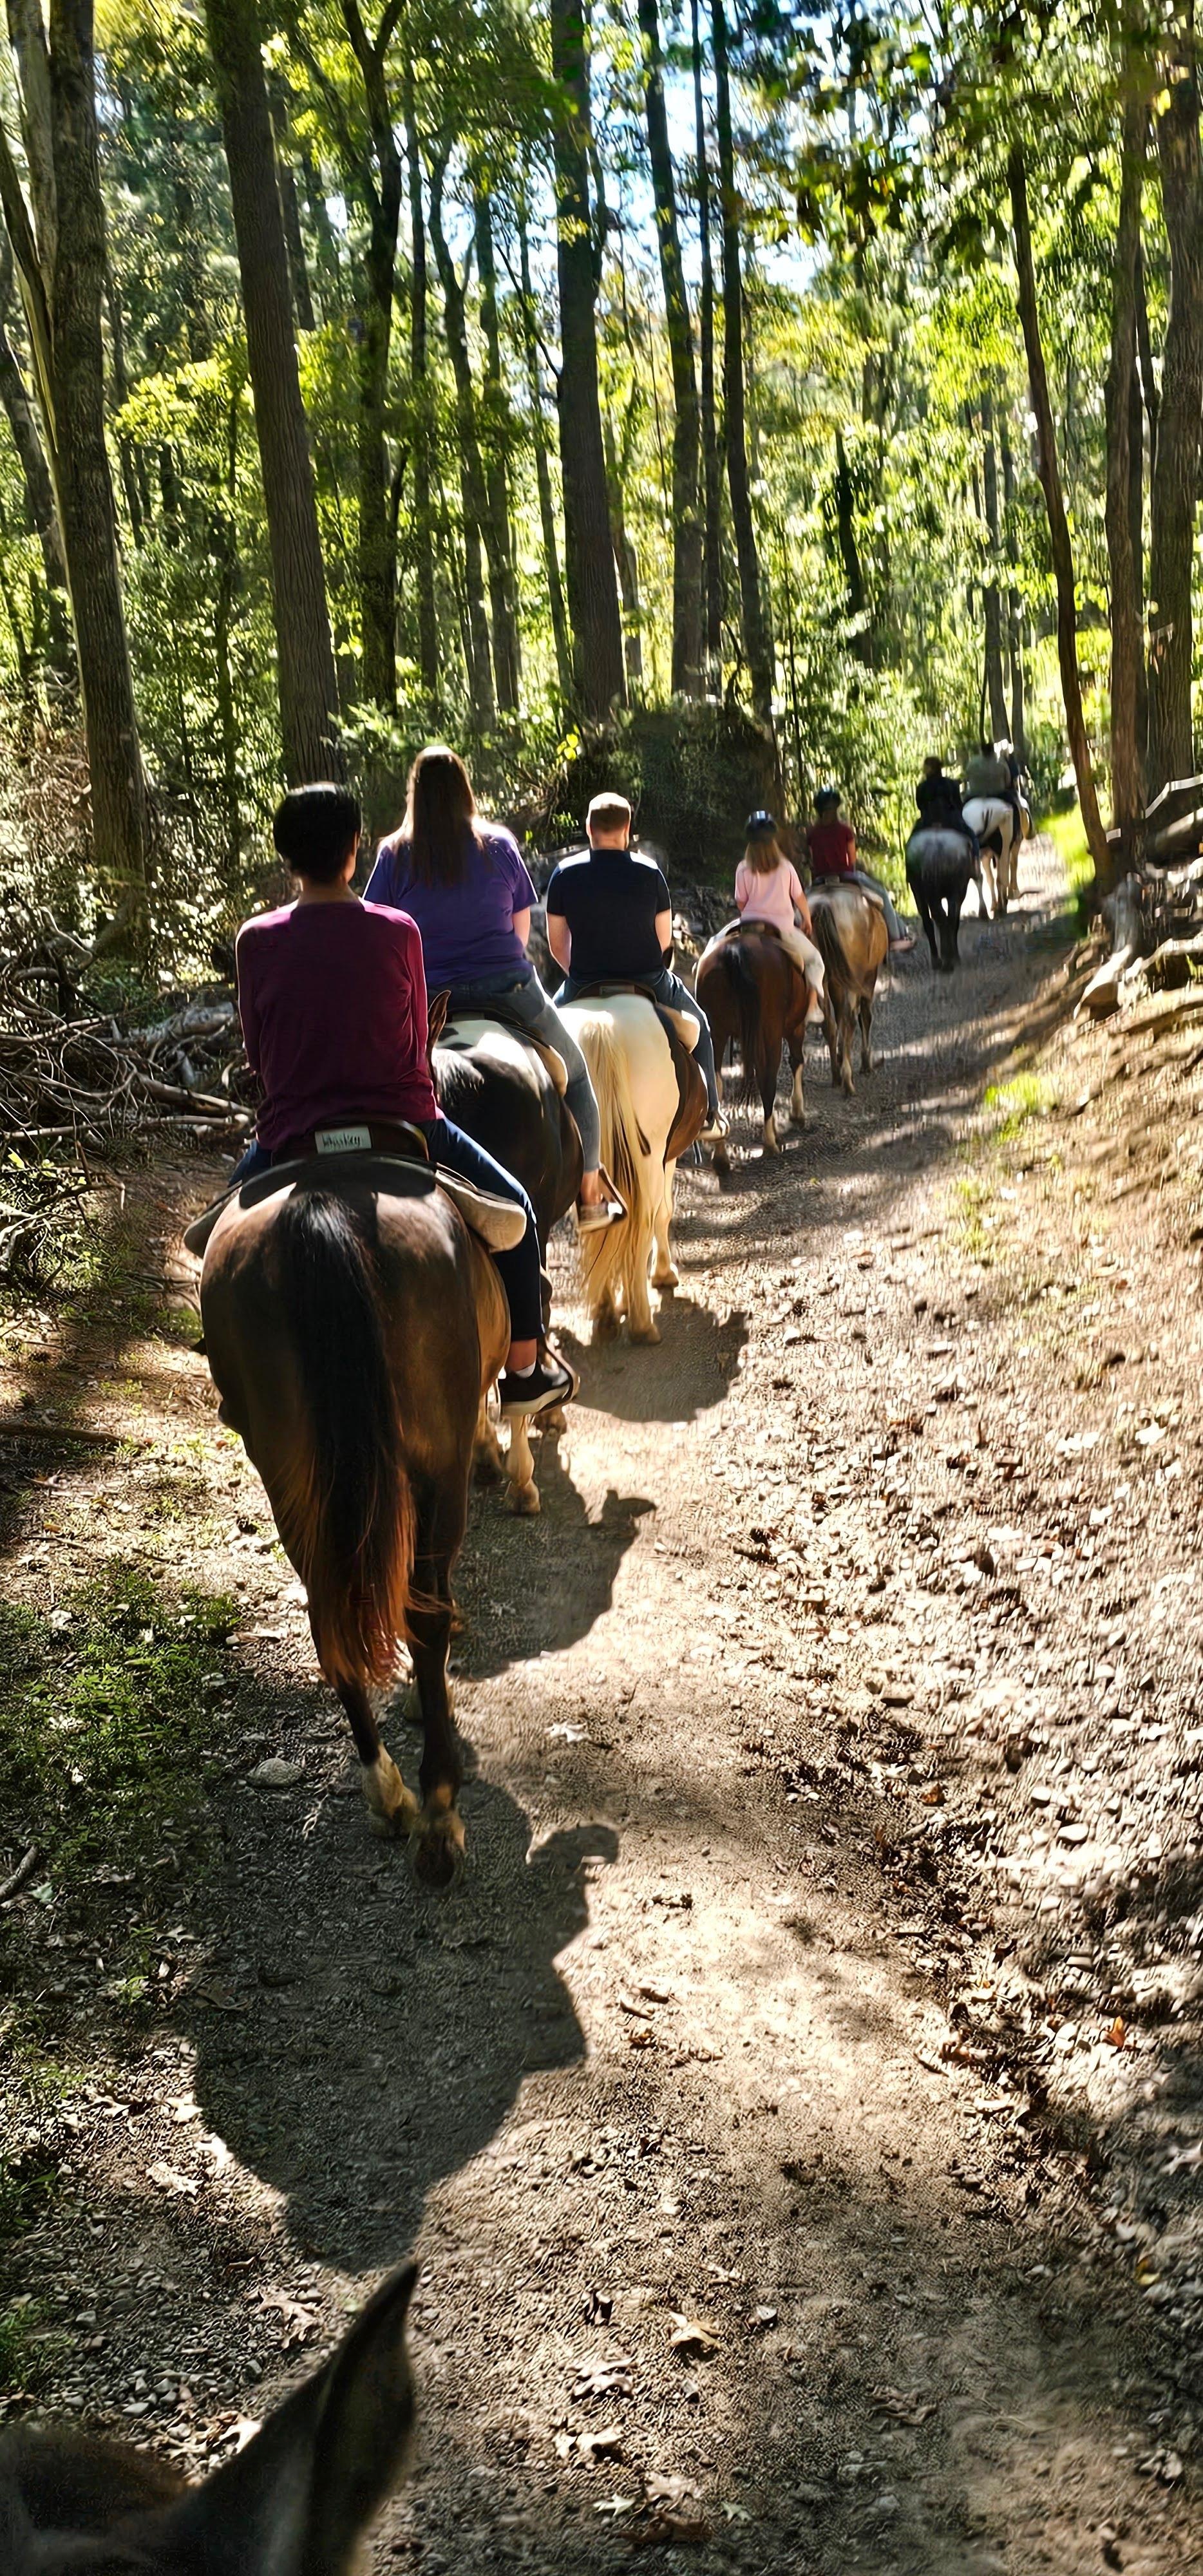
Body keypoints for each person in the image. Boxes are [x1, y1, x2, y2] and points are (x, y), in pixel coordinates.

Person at [188, 782, 574, 1419]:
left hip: (294, 1129)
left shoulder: (254, 940)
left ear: (286, 855)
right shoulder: (398, 931)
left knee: (208, 1243)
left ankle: (235, 1379)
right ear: (355, 848)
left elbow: (259, 1054)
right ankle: (526, 1369)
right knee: (520, 1214)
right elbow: (416, 1037)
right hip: (407, 1122)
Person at [367, 746, 621, 1235]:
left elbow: (374, 930)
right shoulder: (498, 844)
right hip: (506, 986)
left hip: (427, 1001)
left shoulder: (394, 854)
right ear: (465, 790)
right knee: (579, 1077)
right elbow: (521, 929)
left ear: (415, 795)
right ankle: (590, 1195)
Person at [544, 792, 725, 1137]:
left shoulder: (563, 874)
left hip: (583, 982)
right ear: (627, 829)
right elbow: (664, 941)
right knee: (700, 1026)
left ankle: (548, 1128)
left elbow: (556, 943)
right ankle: (710, 1117)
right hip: (649, 980)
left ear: (588, 828)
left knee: (542, 1044)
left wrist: (580, 973)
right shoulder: (649, 871)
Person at [705, 811, 825, 1019]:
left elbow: (741, 902)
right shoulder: (786, 867)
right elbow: (799, 898)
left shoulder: (743, 868)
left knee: (711, 948)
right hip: (782, 929)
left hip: (748, 924)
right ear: (773, 842)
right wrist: (806, 920)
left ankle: (705, 996)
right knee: (815, 960)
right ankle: (813, 1008)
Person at [806, 788, 914, 951]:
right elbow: (852, 859)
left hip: (820, 881)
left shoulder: (812, 833)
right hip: (846, 876)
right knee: (882, 894)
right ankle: (895, 937)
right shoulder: (845, 830)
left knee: (798, 908)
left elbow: (812, 861)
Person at [915, 755, 976, 843]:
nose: (924, 770)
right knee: (971, 836)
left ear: (930, 769)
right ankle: (975, 853)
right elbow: (959, 805)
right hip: (952, 820)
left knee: (911, 841)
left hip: (928, 821)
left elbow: (920, 806)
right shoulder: (952, 784)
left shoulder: (922, 787)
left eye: (925, 768)